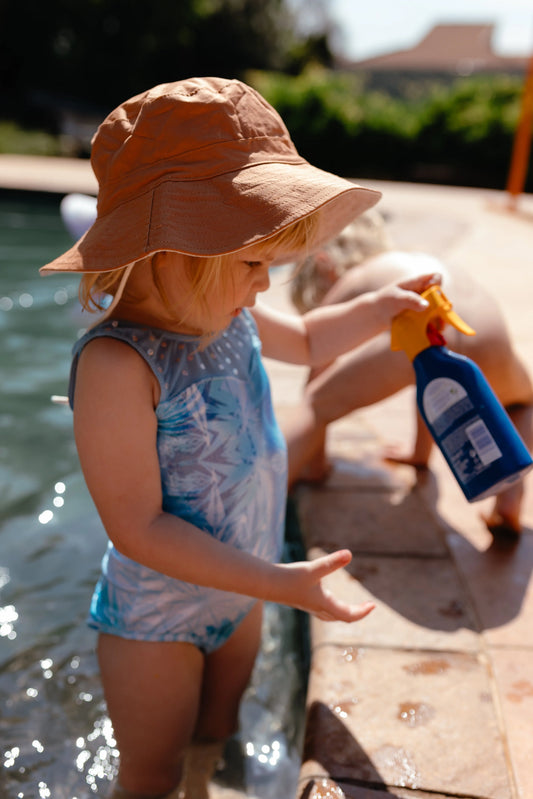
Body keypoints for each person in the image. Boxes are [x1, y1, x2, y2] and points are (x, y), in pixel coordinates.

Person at [40, 78, 437, 799]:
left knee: (215, 735)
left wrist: (382, 308)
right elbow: (137, 527)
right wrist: (277, 582)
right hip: (156, 620)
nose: (263, 287)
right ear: (171, 249)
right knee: (152, 774)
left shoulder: (230, 316)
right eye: (253, 265)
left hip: (241, 597)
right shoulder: (118, 364)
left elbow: (311, 340)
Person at [286, 211, 533, 537]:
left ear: (325, 264)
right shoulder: (416, 259)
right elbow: (433, 380)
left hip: (426, 324)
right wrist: (419, 455)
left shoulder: (354, 278)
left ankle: (277, 487)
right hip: (486, 333)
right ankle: (510, 497)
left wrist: (315, 463)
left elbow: (319, 365)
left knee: (315, 404)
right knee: (521, 403)